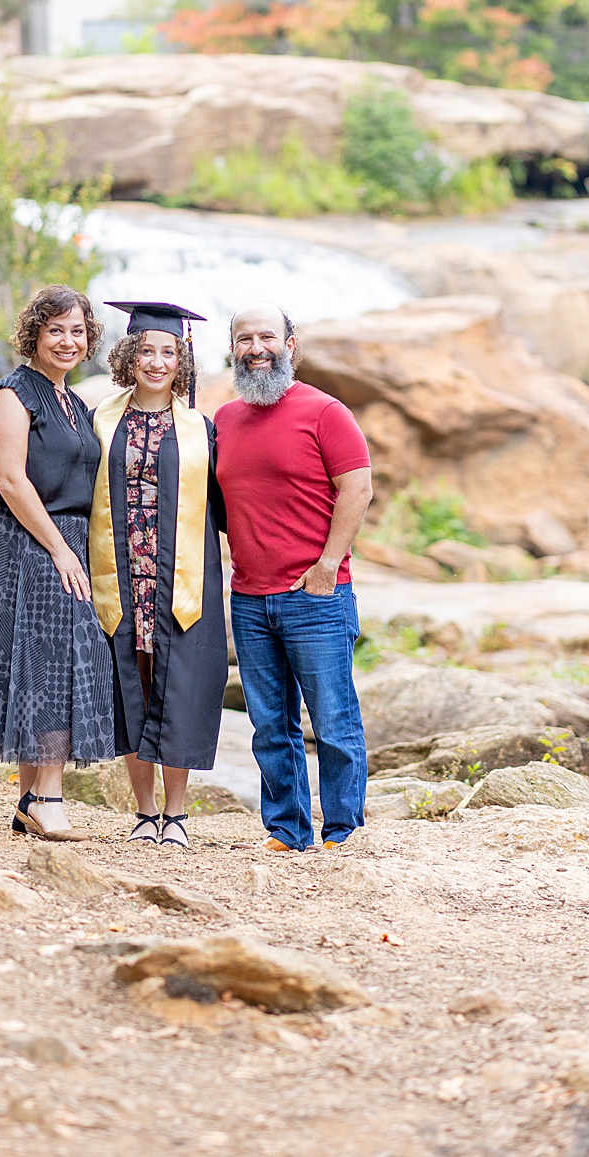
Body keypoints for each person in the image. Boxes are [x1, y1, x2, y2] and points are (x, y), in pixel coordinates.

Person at [214, 302, 374, 853]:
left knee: (333, 720)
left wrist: (328, 564)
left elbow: (357, 489)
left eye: (266, 337)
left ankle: (343, 830)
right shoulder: (225, 420)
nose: (256, 348)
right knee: (269, 727)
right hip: (249, 598)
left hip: (316, 596)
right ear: (232, 349)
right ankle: (286, 829)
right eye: (244, 339)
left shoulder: (327, 412)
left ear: (290, 344)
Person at [0, 284, 113, 843]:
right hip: (29, 540)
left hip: (64, 539)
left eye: (78, 331)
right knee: (52, 663)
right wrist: (58, 547)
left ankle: (29, 801)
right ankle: (47, 798)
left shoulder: (72, 401)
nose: (68, 341)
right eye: (56, 330)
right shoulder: (13, 393)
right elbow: (11, 479)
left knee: (47, 661)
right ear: (35, 334)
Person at [87, 301, 229, 850]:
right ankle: (143, 811)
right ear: (128, 355)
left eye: (168, 352)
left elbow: (229, 499)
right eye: (146, 350)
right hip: (120, 573)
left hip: (181, 575)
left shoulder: (202, 429)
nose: (156, 361)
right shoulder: (100, 418)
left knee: (181, 689)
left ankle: (176, 813)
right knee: (131, 689)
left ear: (182, 360)